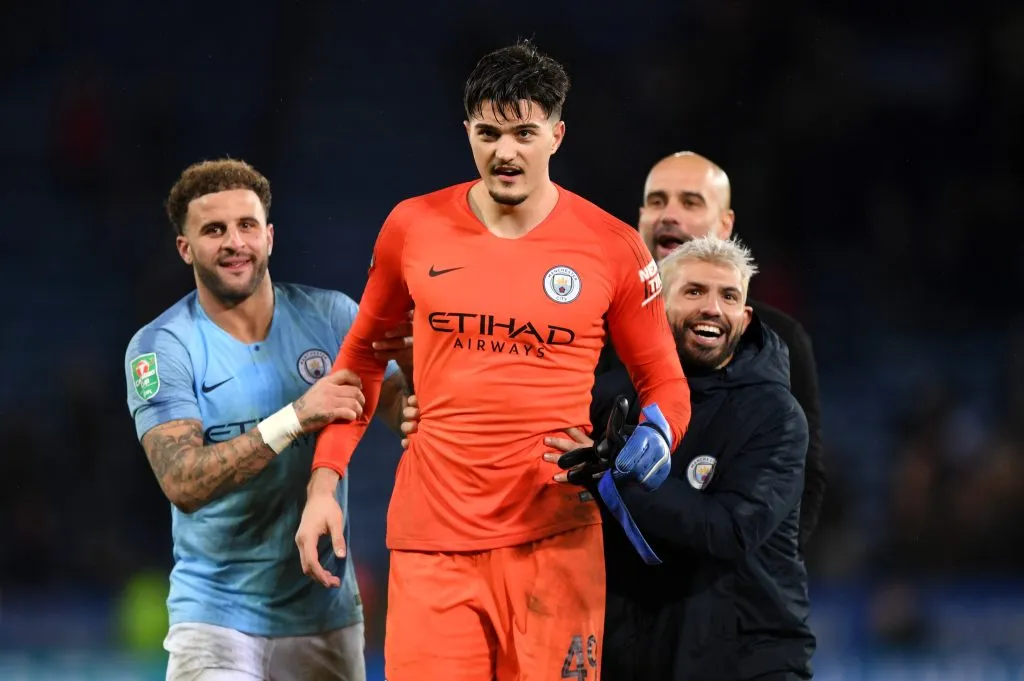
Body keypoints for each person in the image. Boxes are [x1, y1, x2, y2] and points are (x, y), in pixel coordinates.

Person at [294, 40, 692, 681]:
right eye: (489, 132)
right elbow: (361, 362)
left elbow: (663, 381)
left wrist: (658, 432)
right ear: (467, 132)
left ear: (557, 135)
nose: (505, 152)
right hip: (432, 543)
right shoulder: (412, 227)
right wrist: (323, 485)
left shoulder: (613, 247)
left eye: (524, 133)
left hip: (557, 540)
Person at [123, 158, 409, 681]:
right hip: (215, 618)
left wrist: (420, 363)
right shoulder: (163, 347)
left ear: (270, 236)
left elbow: (406, 414)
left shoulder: (333, 318)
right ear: (186, 248)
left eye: (246, 225)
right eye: (214, 230)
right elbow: (182, 480)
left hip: (326, 615)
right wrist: (298, 416)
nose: (234, 242)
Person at [549, 236, 816, 680]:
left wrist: (620, 479)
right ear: (656, 309)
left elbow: (730, 531)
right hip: (632, 657)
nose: (712, 307)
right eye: (694, 291)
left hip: (747, 663)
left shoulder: (776, 415)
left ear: (745, 318)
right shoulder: (609, 397)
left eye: (728, 296)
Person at [598, 150, 826, 551]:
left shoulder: (780, 337)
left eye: (690, 202)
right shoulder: (595, 326)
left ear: (725, 226)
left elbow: (804, 478)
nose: (669, 214)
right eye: (657, 201)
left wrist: (757, 581)